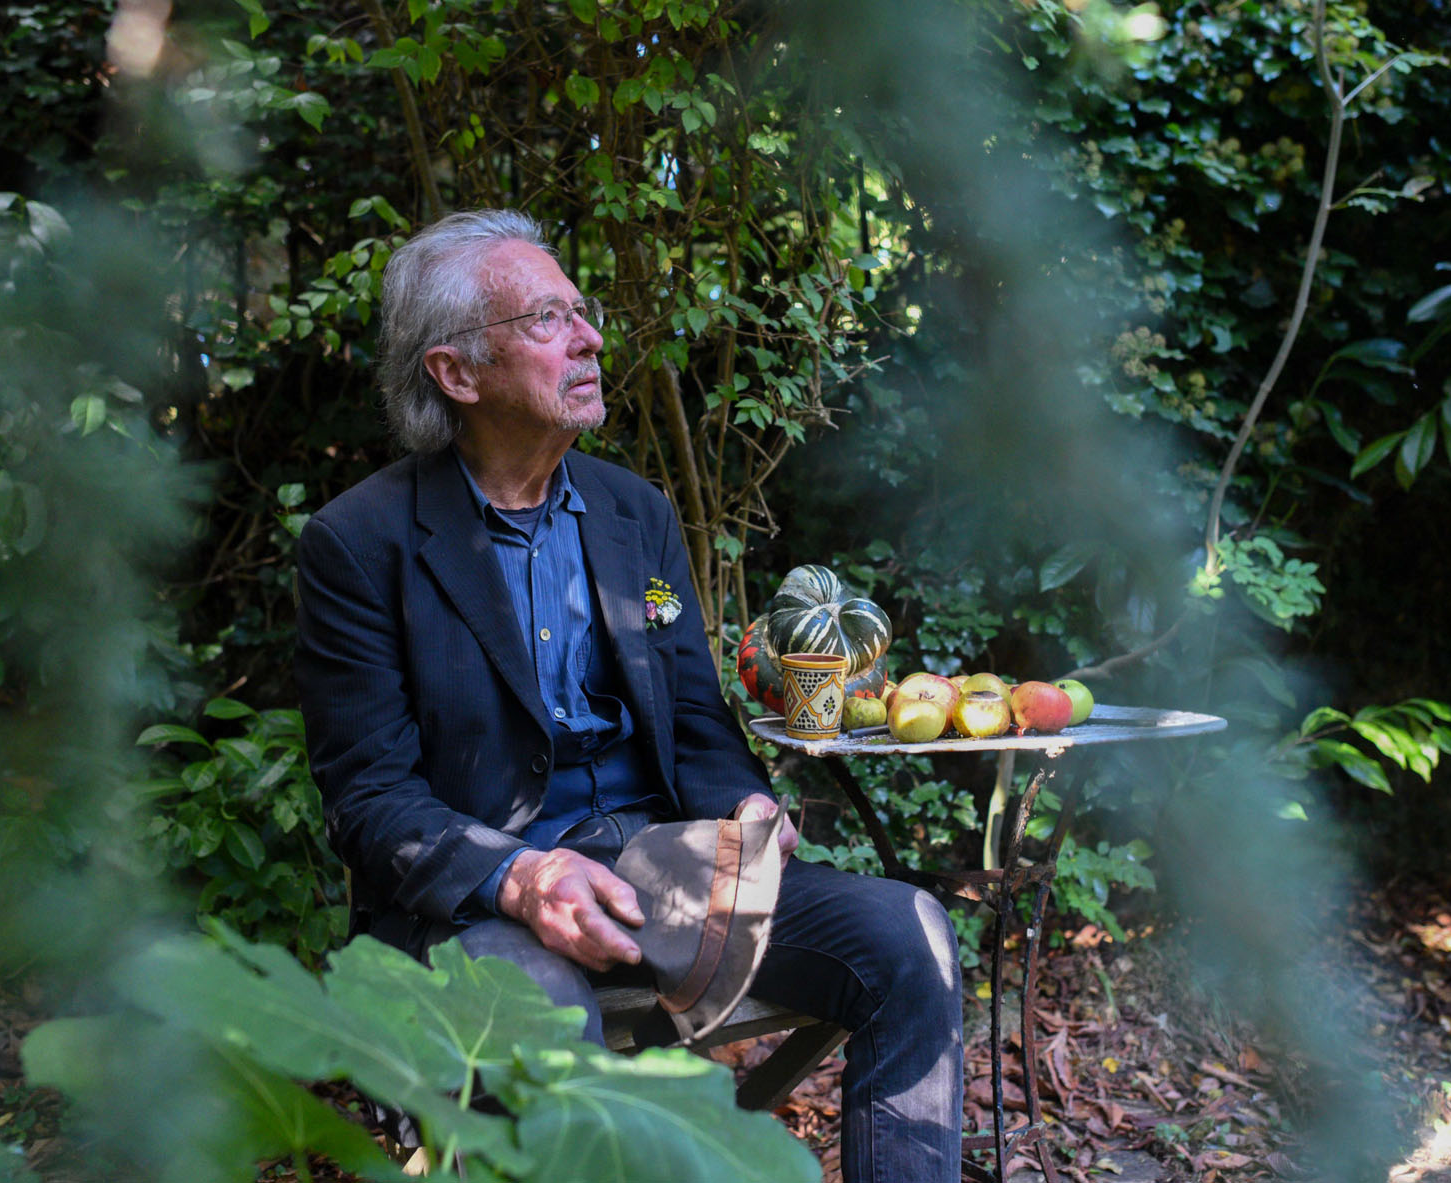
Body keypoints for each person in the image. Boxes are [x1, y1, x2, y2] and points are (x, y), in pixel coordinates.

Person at [293, 209, 963, 1181]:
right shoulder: (361, 545)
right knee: (539, 1017)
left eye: (582, 309)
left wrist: (741, 802)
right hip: (475, 908)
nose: (589, 337)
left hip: (661, 873)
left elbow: (691, 714)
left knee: (910, 936)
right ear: (456, 373)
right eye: (544, 319)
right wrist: (524, 878)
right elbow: (370, 800)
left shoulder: (632, 514)